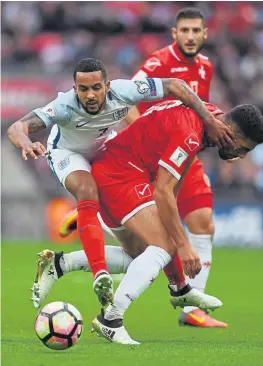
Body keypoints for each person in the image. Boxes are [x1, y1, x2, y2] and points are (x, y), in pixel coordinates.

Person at [7, 57, 233, 307]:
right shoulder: (63, 105)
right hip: (68, 154)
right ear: (75, 90)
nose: (90, 95)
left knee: (137, 252)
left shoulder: (125, 90)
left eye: (96, 87)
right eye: (83, 89)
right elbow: (18, 127)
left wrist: (209, 119)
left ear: (107, 85)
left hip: (106, 150)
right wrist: (26, 143)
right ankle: (100, 272)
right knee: (87, 188)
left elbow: (176, 86)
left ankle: (60, 262)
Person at [56, 8, 230, 326]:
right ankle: (95, 214)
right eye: (184, 30)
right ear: (174, 34)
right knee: (155, 236)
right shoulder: (158, 61)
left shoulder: (206, 66)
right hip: (153, 152)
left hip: (184, 150)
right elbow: (124, 100)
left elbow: (196, 111)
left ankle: (191, 307)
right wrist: (138, 140)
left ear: (205, 35)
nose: (190, 36)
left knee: (203, 223)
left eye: (196, 31)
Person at [88, 101, 263, 344]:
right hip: (118, 174)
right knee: (165, 247)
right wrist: (184, 246)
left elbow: (170, 188)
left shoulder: (209, 117)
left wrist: (175, 230)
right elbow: (162, 191)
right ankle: (110, 319)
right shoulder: (191, 132)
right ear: (232, 134)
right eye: (243, 148)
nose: (241, 156)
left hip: (128, 171)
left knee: (153, 246)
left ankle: (180, 290)